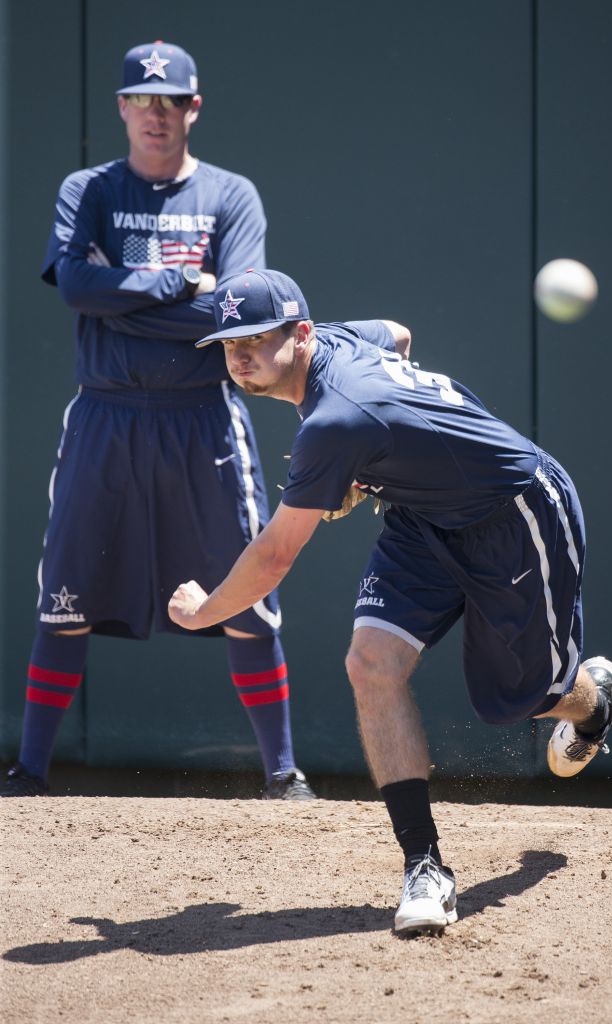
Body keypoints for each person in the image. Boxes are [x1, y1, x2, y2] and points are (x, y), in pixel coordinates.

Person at [167, 267, 612, 935]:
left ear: (301, 334)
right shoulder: (342, 349)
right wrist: (387, 452)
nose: (241, 355)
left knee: (514, 702)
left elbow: (274, 557)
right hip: (419, 518)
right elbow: (397, 334)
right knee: (370, 663)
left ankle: (590, 701)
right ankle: (425, 866)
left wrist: (204, 611)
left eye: (257, 339)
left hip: (514, 517)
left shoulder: (334, 419)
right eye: (229, 343)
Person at [0, 43, 314, 801]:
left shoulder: (231, 196)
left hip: (199, 420)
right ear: (120, 107)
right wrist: (177, 283)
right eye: (141, 100)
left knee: (246, 595)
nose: (155, 114)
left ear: (193, 108)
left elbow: (236, 314)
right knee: (65, 596)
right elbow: (75, 285)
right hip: (104, 415)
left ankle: (283, 775)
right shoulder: (90, 188)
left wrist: (125, 296)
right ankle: (30, 773)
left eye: (170, 100)